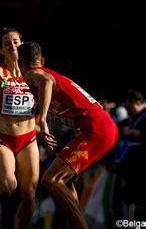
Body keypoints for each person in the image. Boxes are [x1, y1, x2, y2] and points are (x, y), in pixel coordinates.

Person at [16, 42, 118, 228]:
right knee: (65, 180)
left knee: (51, 180)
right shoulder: (49, 75)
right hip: (101, 127)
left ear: (21, 64)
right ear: (42, 60)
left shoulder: (33, 73)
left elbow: (45, 81)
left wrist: (43, 120)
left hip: (97, 130)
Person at [0, 28, 38, 229]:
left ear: (22, 44)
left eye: (16, 42)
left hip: (28, 138)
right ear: (1, 50)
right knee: (8, 185)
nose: (13, 46)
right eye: (7, 43)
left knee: (30, 194)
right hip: (3, 138)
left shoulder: (33, 72)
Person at [117, 89, 146, 220]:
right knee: (128, 197)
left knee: (137, 199)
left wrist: (134, 132)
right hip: (131, 167)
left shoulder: (144, 117)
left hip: (140, 166)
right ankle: (132, 224)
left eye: (131, 108)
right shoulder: (134, 118)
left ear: (139, 102)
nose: (129, 111)